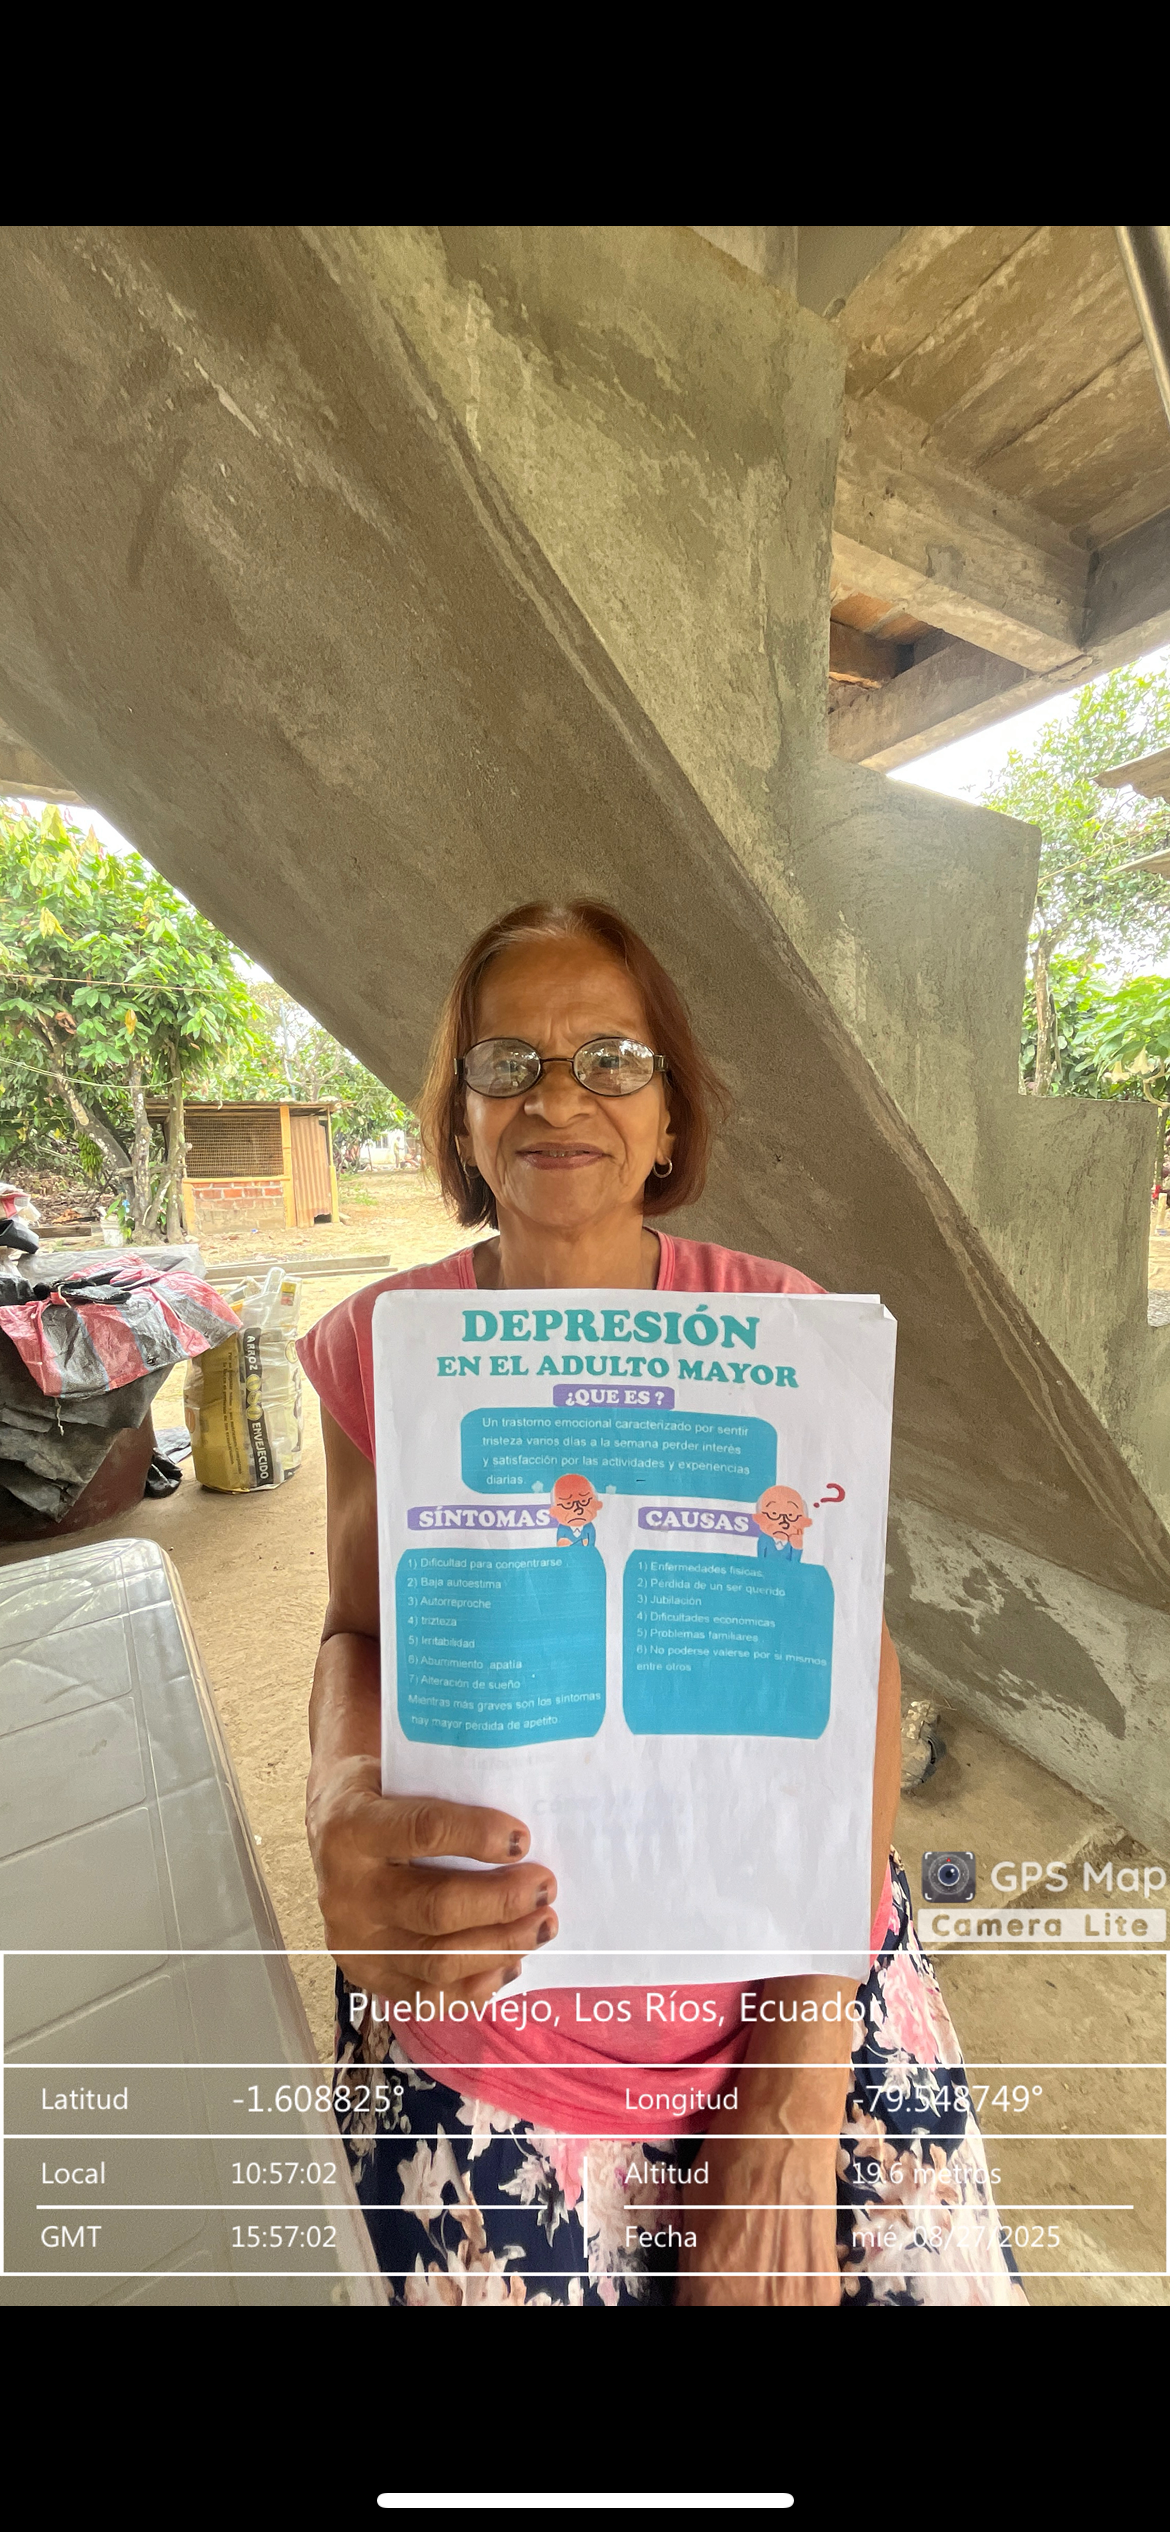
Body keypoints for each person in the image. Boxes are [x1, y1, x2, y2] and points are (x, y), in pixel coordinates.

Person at [300, 899, 1024, 2308]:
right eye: (505, 1063)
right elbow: (354, 1629)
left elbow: (844, 1663)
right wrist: (334, 1790)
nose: (556, 1096)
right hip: (490, 2004)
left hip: (787, 1983)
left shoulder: (783, 1329)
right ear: (459, 1117)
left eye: (611, 1059)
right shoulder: (378, 1350)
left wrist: (794, 2096)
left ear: (672, 1114)